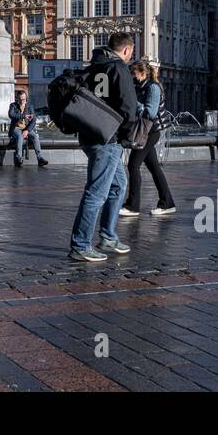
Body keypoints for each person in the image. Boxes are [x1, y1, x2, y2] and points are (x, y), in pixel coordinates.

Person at [69, 32, 139, 263]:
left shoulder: (92, 67)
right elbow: (129, 108)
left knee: (119, 184)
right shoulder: (119, 69)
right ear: (127, 50)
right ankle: (80, 245)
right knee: (96, 193)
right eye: (131, 53)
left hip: (90, 134)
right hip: (109, 139)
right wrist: (128, 136)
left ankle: (108, 236)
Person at [120, 61, 175, 218]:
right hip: (147, 130)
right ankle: (167, 202)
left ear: (143, 74)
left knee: (133, 165)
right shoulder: (141, 86)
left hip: (150, 131)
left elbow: (150, 112)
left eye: (134, 74)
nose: (132, 77)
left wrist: (133, 101)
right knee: (154, 167)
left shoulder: (152, 87)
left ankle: (133, 206)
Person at [7, 90, 48, 167]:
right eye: (21, 99)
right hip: (16, 128)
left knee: (35, 136)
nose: (23, 101)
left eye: (24, 99)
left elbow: (34, 120)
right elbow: (11, 115)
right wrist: (23, 116)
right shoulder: (13, 105)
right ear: (17, 99)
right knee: (20, 136)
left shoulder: (29, 106)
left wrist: (27, 130)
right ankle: (19, 158)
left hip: (25, 128)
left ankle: (40, 158)